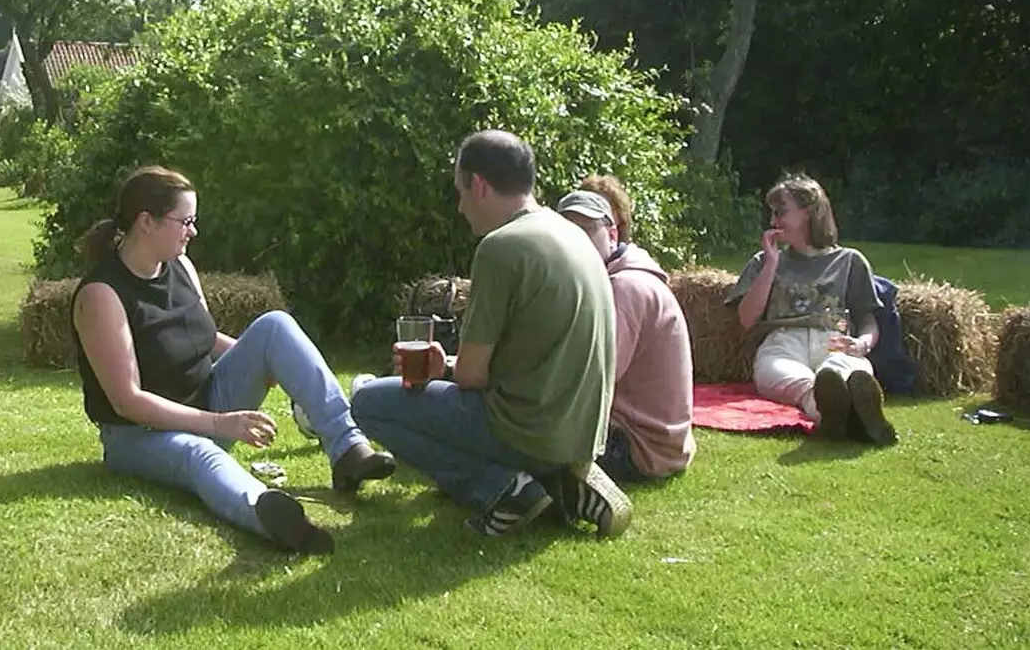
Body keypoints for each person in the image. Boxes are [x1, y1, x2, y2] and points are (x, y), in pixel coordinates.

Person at [71, 165, 395, 554]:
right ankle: (269, 514)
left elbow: (205, 340)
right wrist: (219, 423)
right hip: (139, 435)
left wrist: (263, 357)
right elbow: (128, 401)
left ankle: (348, 450)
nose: (194, 231)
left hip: (207, 401)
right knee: (199, 453)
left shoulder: (181, 267)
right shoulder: (101, 296)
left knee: (275, 326)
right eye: (185, 221)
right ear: (146, 222)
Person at [350, 130, 633, 537]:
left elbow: (471, 377)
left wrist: (446, 368)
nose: (460, 207)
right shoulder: (571, 233)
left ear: (479, 185)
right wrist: (444, 364)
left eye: (460, 192)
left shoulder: (501, 247)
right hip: (582, 432)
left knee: (368, 403)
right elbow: (529, 353)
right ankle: (559, 480)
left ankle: (504, 489)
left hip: (527, 431)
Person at [725, 173, 896, 446]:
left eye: (781, 212)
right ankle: (846, 415)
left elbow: (868, 320)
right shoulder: (763, 261)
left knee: (843, 367)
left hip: (833, 338)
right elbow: (746, 319)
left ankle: (840, 411)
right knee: (778, 372)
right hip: (782, 342)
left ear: (809, 212)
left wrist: (862, 344)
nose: (773, 222)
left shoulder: (850, 260)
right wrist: (771, 264)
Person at [555, 182, 695, 483]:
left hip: (639, 448)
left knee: (518, 434)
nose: (576, 243)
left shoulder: (625, 288)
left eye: (586, 231)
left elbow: (593, 379)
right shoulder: (614, 278)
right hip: (656, 442)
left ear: (612, 234)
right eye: (567, 233)